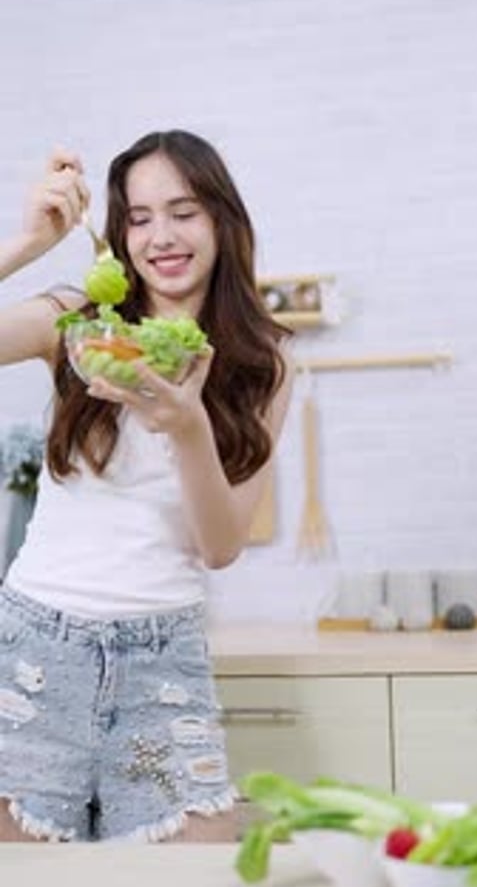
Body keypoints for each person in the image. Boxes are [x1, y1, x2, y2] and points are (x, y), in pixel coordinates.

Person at [0, 131, 294, 842]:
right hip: (37, 645)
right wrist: (27, 245)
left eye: (184, 210)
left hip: (164, 661)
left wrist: (188, 424)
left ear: (223, 219)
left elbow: (220, 546)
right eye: (137, 216)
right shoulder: (81, 320)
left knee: (195, 866)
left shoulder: (264, 363)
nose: (161, 235)